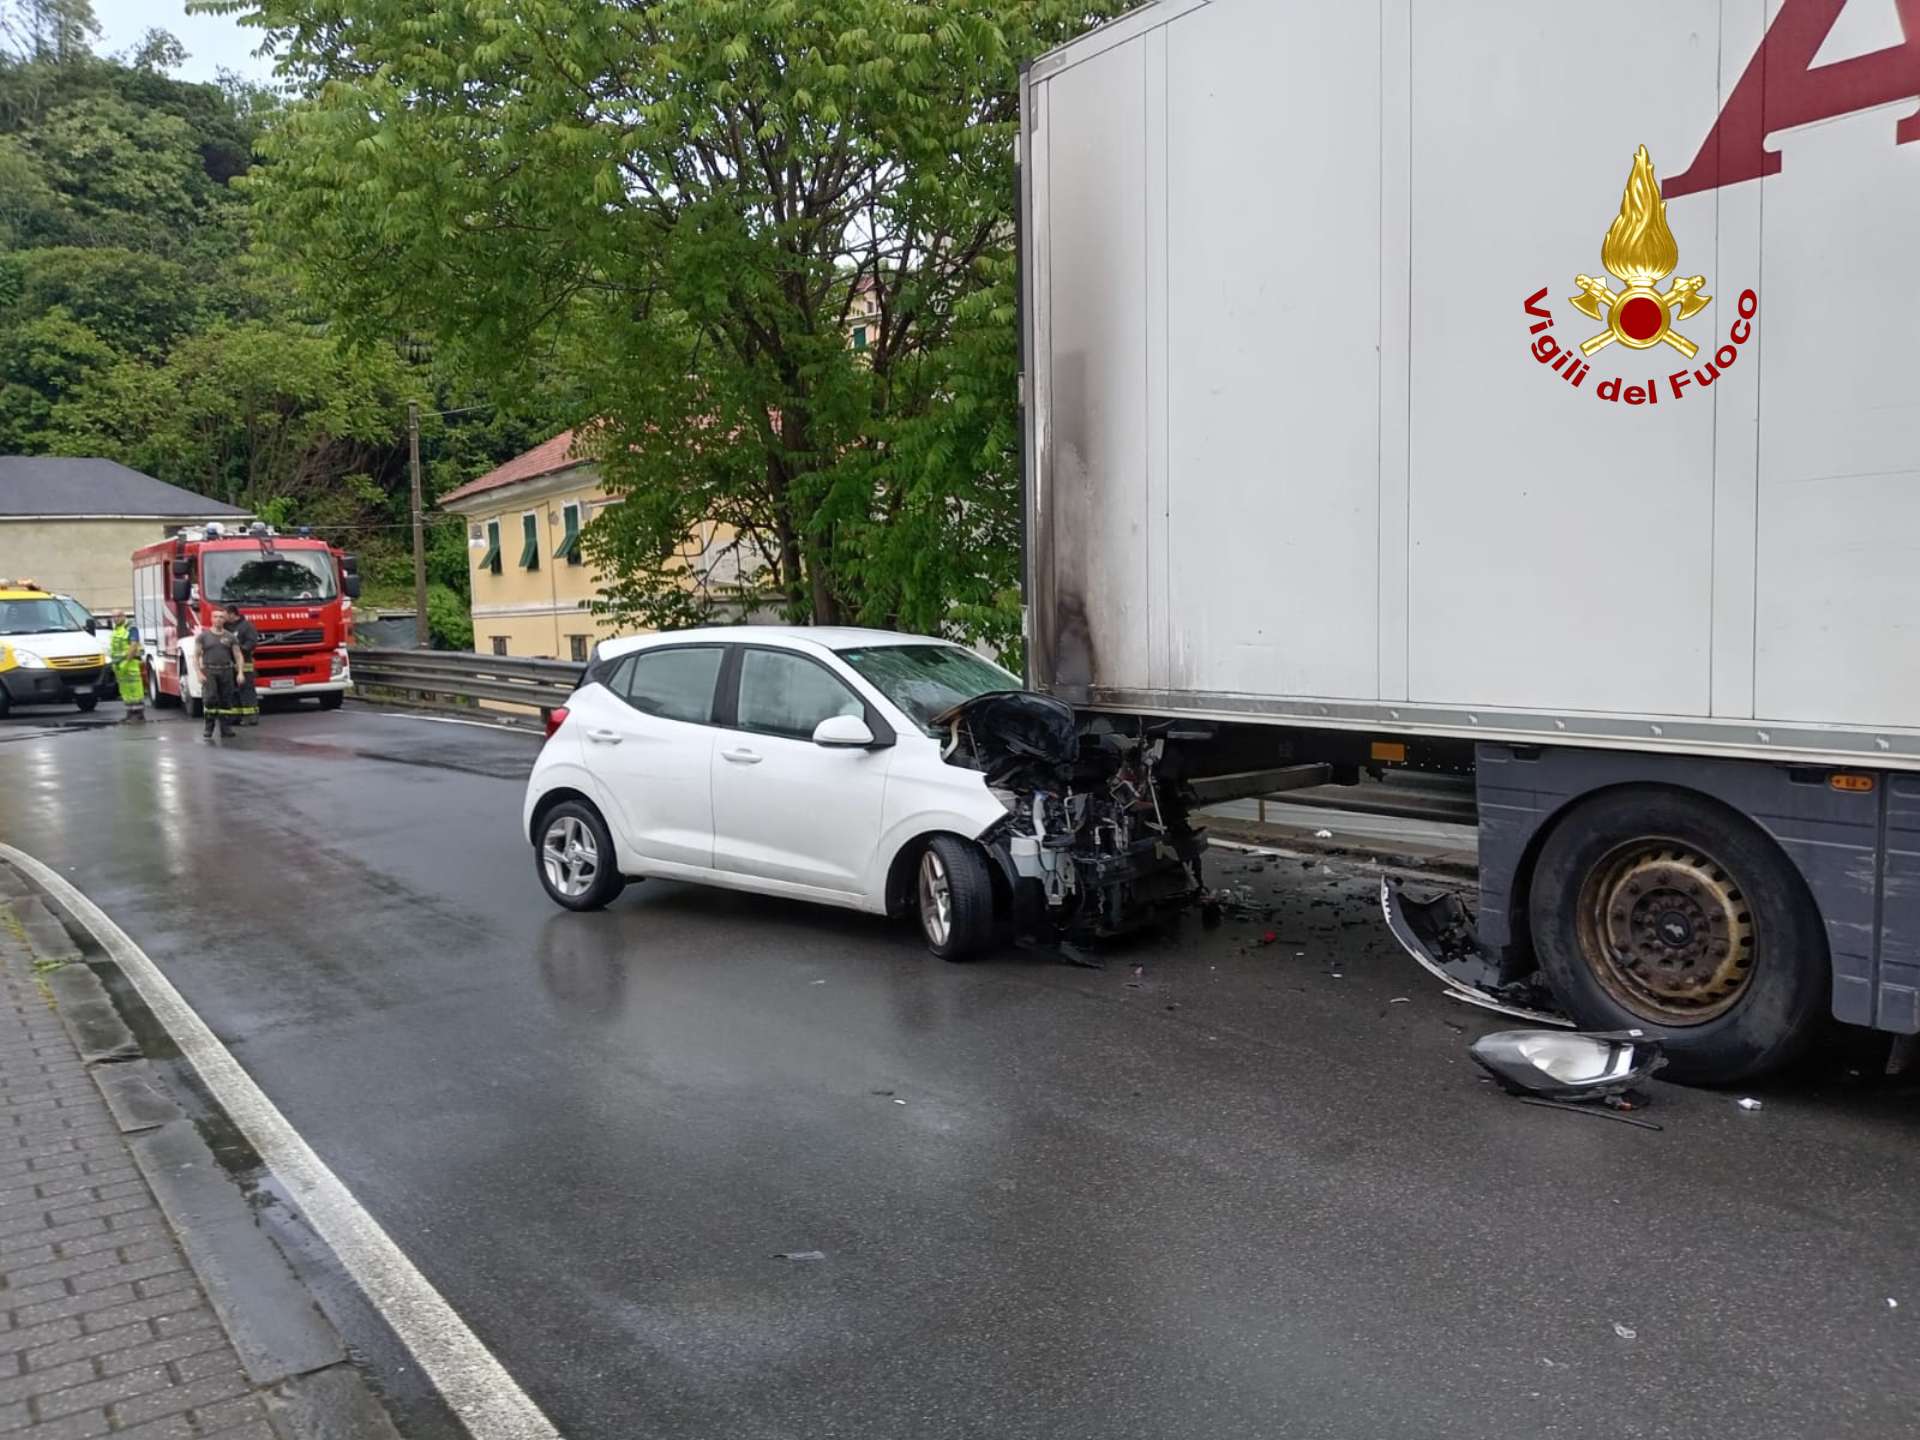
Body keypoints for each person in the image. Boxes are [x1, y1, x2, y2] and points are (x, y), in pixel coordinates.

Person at [195, 617, 240, 740]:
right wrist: (199, 673)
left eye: (221, 617)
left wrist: (240, 672)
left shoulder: (231, 637)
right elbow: (195, 656)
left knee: (226, 700)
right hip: (210, 671)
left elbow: (237, 655)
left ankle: (226, 728)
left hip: (226, 670)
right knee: (210, 699)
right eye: (215, 617)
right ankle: (209, 728)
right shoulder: (203, 637)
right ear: (211, 619)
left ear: (224, 620)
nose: (218, 619)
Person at [225, 603, 260, 726]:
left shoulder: (246, 626)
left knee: (247, 690)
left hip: (245, 664)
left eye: (225, 615)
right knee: (233, 691)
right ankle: (235, 716)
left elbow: (252, 642)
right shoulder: (226, 627)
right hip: (229, 664)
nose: (223, 617)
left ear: (232, 614)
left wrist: (241, 649)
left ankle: (251, 717)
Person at [107, 611, 144, 720]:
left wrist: (127, 661)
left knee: (135, 689)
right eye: (113, 616)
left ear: (124, 616)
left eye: (117, 616)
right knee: (125, 690)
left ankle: (138, 714)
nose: (115, 619)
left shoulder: (130, 628)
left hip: (130, 663)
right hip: (119, 664)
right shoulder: (116, 629)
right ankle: (129, 714)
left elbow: (134, 646)